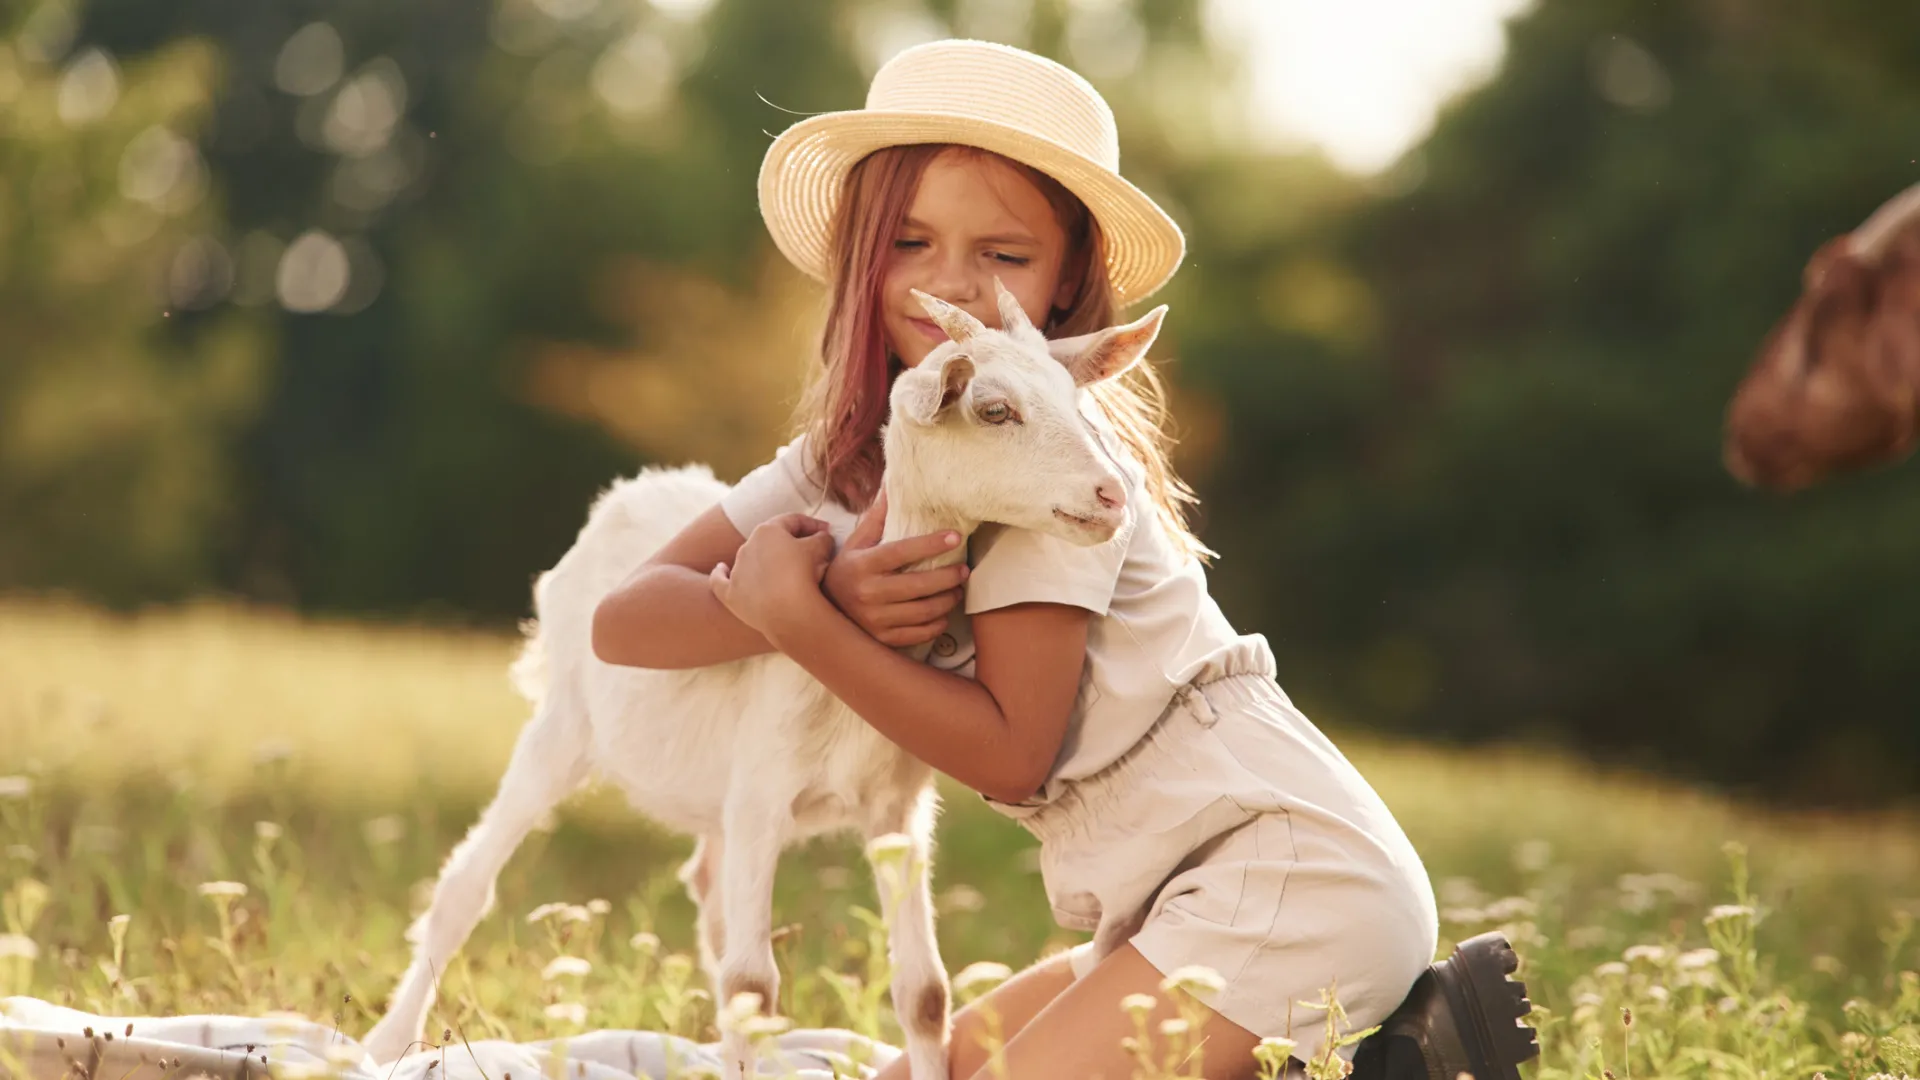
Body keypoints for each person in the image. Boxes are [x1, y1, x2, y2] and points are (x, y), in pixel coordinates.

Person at [591, 38, 1538, 1080]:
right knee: (922, 1076)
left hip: (1284, 877)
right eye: (910, 240)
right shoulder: (843, 460)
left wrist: (811, 624)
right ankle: (1405, 1059)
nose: (949, 281)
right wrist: (785, 597)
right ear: (863, 256)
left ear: (1065, 287)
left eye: (1003, 256)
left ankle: (1399, 1064)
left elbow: (1011, 754)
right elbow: (625, 621)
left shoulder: (1046, 476)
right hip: (1176, 896)